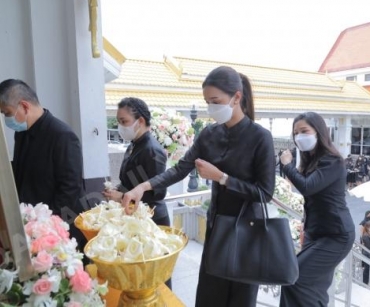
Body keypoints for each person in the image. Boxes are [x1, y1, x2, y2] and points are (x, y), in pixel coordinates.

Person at [121, 66, 276, 307]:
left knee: (240, 300)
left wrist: (222, 178)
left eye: (216, 101)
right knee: (208, 296)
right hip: (217, 228)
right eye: (207, 102)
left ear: (236, 97)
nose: (211, 108)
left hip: (246, 230)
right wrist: (143, 186)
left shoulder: (260, 137)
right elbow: (180, 169)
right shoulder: (208, 134)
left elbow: (264, 193)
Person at [0, 79, 86, 252]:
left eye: (7, 112)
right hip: (31, 227)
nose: (6, 119)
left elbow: (69, 191)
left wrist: (46, 226)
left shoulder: (62, 136)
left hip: (58, 229)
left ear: (24, 106)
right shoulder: (22, 134)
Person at [279, 112, 355, 306]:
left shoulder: (332, 161)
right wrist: (306, 224)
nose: (299, 137)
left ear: (319, 132)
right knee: (315, 288)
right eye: (296, 133)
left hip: (336, 235)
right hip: (315, 231)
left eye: (304, 131)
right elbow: (313, 198)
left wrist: (287, 166)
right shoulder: (311, 160)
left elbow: (307, 187)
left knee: (294, 279)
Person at [102, 97, 172, 287]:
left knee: (155, 279)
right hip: (135, 216)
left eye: (123, 121)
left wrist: (122, 196)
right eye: (118, 121)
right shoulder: (134, 144)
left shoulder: (152, 150)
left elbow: (158, 193)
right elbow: (130, 181)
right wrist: (117, 191)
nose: (120, 126)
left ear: (140, 121)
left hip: (153, 220)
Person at [361, 221, 370, 285]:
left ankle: (365, 283)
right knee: (366, 270)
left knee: (366, 270)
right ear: (367, 227)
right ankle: (365, 284)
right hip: (367, 254)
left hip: (367, 253)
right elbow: (368, 246)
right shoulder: (365, 235)